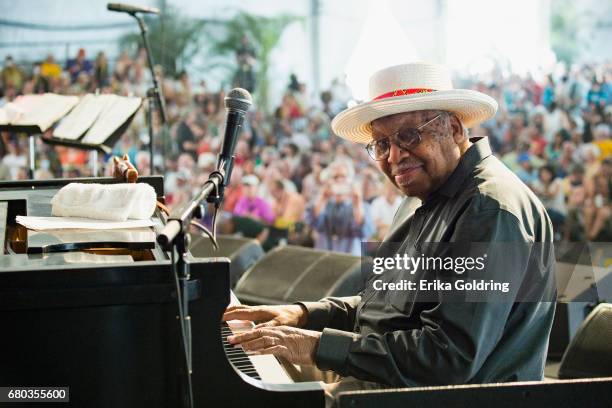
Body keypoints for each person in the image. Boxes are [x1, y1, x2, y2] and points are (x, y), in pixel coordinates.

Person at [224, 62, 556, 405]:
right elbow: (385, 303)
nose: (394, 156)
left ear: (455, 128)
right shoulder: (421, 196)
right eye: (381, 144)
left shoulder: (488, 209)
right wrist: (306, 314)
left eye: (409, 135)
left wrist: (314, 344)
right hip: (391, 378)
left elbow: (448, 358)